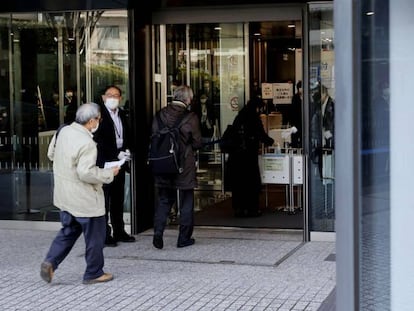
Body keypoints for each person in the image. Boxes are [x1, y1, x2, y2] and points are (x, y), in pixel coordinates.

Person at [40, 102, 120, 285]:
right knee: (95, 238)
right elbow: (86, 173)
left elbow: (51, 154)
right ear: (92, 121)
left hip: (65, 196)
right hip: (86, 200)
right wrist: (109, 173)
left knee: (67, 232)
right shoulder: (87, 143)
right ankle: (94, 272)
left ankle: (50, 262)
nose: (99, 122)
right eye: (98, 119)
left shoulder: (63, 131)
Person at [152, 85, 202, 249]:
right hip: (183, 164)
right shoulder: (190, 117)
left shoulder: (160, 115)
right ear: (187, 99)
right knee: (186, 201)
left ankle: (158, 233)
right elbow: (196, 142)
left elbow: (154, 136)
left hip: (163, 161)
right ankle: (184, 238)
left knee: (165, 199)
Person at [93, 85, 135, 247]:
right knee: (104, 199)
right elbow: (99, 140)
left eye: (116, 95)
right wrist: (114, 153)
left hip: (120, 162)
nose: (113, 98)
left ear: (120, 98)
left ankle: (120, 231)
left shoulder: (121, 114)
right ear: (104, 97)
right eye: (109, 95)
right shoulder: (98, 116)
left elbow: (126, 134)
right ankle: (104, 234)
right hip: (105, 163)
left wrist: (127, 150)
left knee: (117, 198)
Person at [227, 97, 274, 217]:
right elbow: (261, 135)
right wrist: (271, 141)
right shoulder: (254, 118)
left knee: (239, 183)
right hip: (248, 155)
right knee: (251, 182)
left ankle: (239, 208)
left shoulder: (240, 115)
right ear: (257, 107)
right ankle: (252, 209)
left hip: (236, 155)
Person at [287, 80, 303, 148]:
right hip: (296, 123)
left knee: (303, 141)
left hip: (304, 124)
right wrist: (292, 124)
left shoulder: (307, 97)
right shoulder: (295, 97)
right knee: (295, 142)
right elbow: (292, 111)